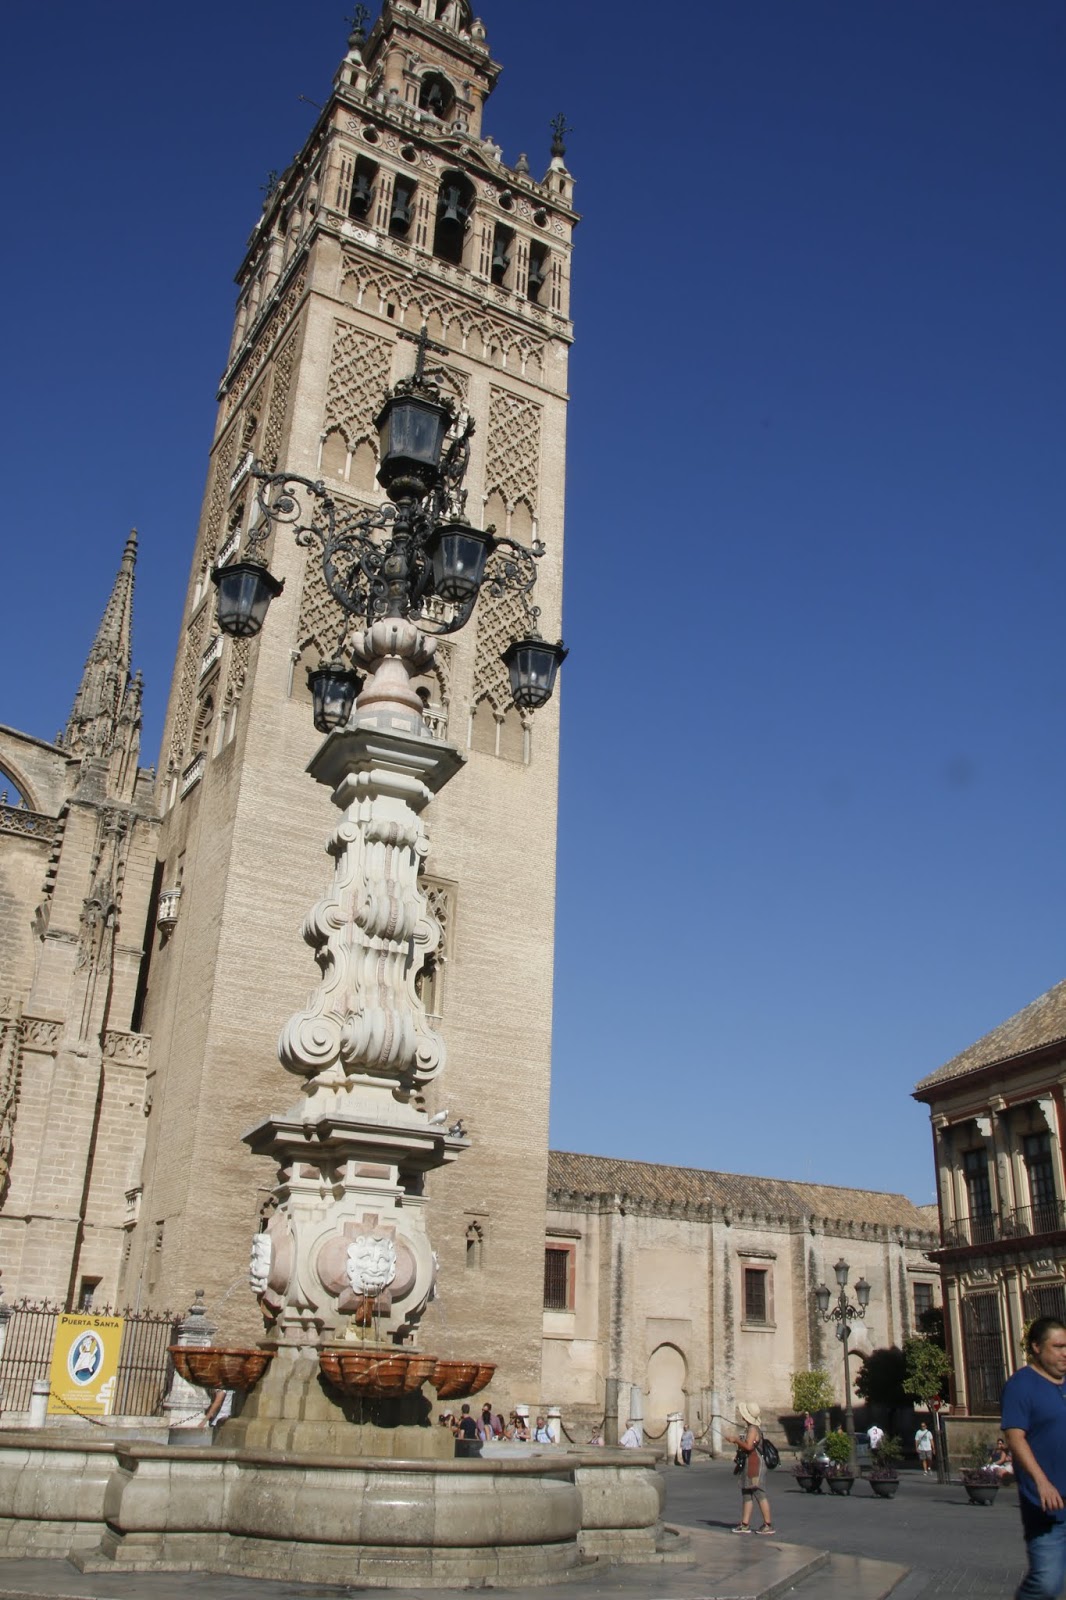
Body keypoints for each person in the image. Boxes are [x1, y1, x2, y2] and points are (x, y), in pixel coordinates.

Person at [1003, 1315, 1066, 1600]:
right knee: (1046, 1584)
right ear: (1036, 1348)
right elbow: (1016, 1438)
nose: (1065, 1353)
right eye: (1058, 1346)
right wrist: (1042, 1482)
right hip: (1048, 1505)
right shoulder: (1021, 1385)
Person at [727, 1402, 774, 1535]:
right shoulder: (751, 1428)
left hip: (754, 1464)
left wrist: (736, 1440)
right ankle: (745, 1524)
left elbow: (748, 1446)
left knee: (759, 1493)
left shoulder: (753, 1429)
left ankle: (768, 1524)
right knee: (746, 1493)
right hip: (750, 1463)